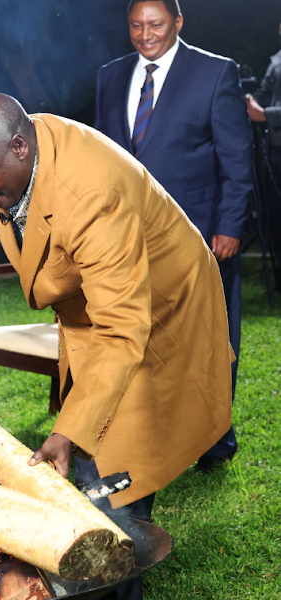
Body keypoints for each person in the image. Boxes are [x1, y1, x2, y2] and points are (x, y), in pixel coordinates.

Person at [0, 92, 233, 600]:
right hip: (100, 309)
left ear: (19, 147)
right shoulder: (9, 159)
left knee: (123, 458)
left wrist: (69, 433)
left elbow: (124, 328)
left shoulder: (90, 193)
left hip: (160, 309)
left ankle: (115, 572)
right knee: (89, 443)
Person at [94, 0, 254, 472]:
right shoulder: (110, 76)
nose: (146, 34)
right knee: (140, 333)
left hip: (200, 234)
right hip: (127, 237)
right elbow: (105, 159)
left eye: (157, 24)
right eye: (136, 24)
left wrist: (229, 225)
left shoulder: (214, 74)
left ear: (178, 23)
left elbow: (237, 159)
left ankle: (214, 440)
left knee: (210, 335)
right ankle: (151, 434)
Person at [247, 22, 281, 289]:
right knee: (274, 214)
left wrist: (265, 114)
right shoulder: (276, 61)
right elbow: (262, 96)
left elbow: (264, 108)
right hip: (273, 149)